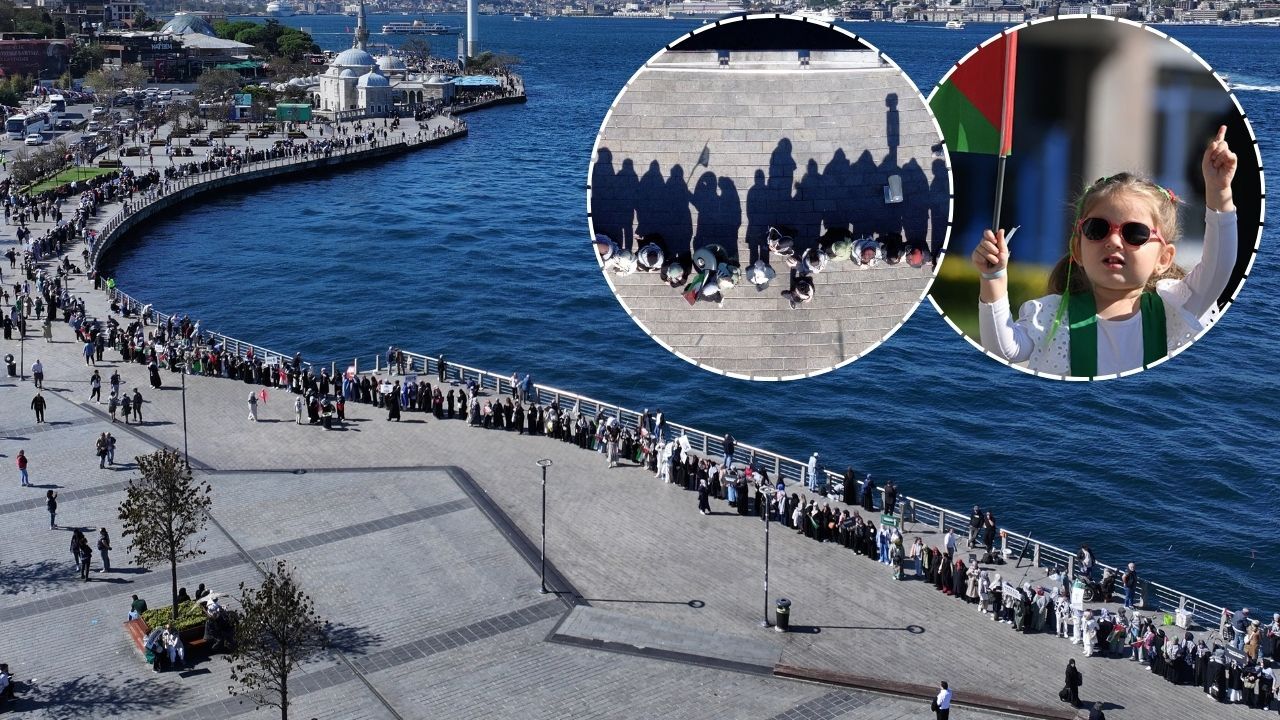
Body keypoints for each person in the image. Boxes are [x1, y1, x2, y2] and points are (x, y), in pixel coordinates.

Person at [974, 129, 1238, 377]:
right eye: (1097, 229)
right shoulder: (1050, 315)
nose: (1113, 241)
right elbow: (1004, 351)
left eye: (1134, 233)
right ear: (1077, 250)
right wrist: (993, 277)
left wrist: (1219, 192)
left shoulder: (1177, 308)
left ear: (1163, 259)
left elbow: (1220, 266)